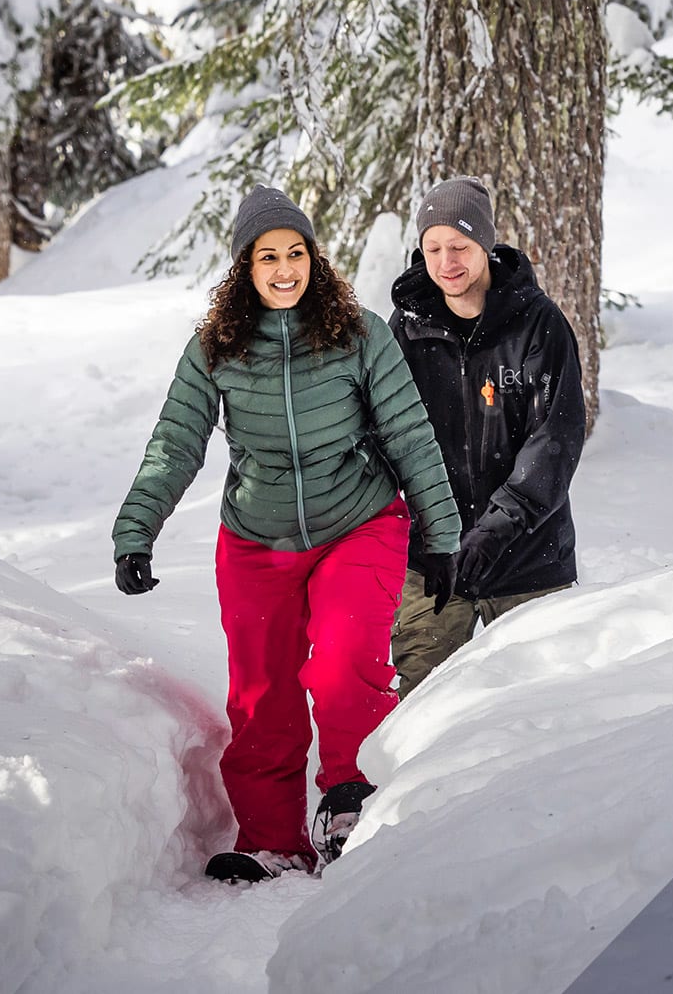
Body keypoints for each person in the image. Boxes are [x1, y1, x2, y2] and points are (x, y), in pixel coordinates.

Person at [112, 187, 461, 882]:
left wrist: (443, 535)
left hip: (356, 522)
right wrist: (136, 529)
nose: (283, 268)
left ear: (313, 258)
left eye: (295, 253)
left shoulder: (359, 332)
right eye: (267, 256)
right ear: (244, 268)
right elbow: (175, 443)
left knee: (340, 664)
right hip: (256, 539)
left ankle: (349, 804)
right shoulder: (216, 348)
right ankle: (273, 838)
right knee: (261, 693)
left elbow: (410, 435)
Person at [386, 176, 586, 697]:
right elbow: (387, 434)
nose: (446, 261)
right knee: (421, 706)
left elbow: (555, 439)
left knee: (538, 707)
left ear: (486, 246)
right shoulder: (406, 329)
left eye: (460, 246)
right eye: (433, 247)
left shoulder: (538, 324)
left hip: (528, 556)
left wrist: (496, 529)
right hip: (431, 561)